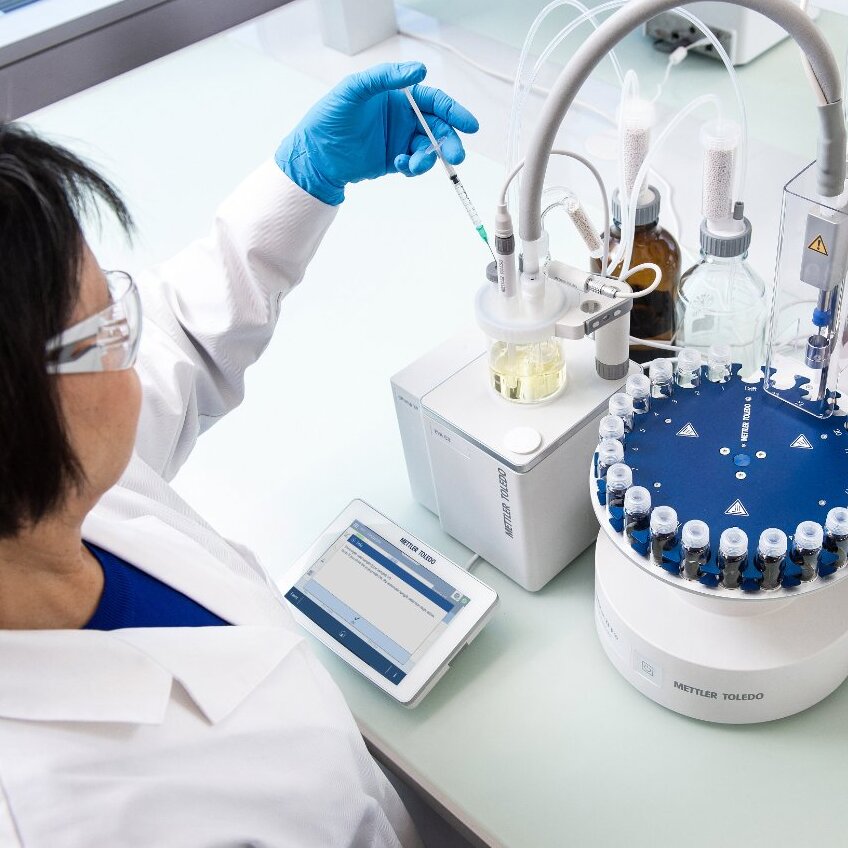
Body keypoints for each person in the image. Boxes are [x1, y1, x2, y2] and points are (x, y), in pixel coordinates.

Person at [0, 62, 478, 847]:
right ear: (24, 406)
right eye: (109, 321)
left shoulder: (56, 493)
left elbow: (184, 329)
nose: (137, 331)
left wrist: (306, 179)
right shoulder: (60, 817)